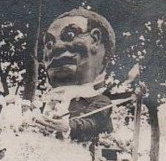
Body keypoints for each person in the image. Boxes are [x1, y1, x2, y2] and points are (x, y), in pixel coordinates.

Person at [34, 8, 115, 143]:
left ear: (95, 40)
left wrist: (67, 127)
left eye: (70, 35)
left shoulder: (100, 102)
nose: (57, 47)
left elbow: (91, 123)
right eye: (49, 44)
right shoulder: (45, 102)